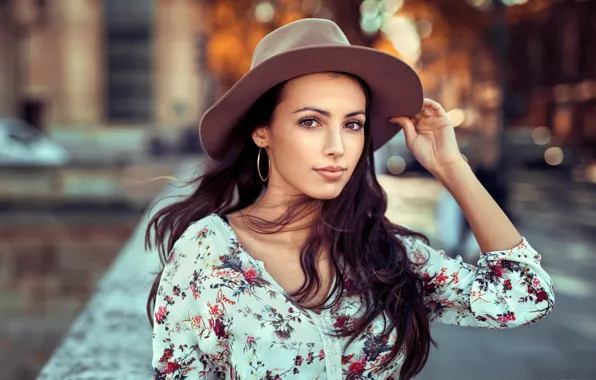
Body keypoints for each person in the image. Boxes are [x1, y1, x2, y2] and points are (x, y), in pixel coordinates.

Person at [147, 19, 554, 380]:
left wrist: (450, 166)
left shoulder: (386, 255)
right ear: (262, 132)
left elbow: (524, 296)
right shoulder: (207, 254)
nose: (337, 147)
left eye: (353, 124)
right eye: (311, 122)